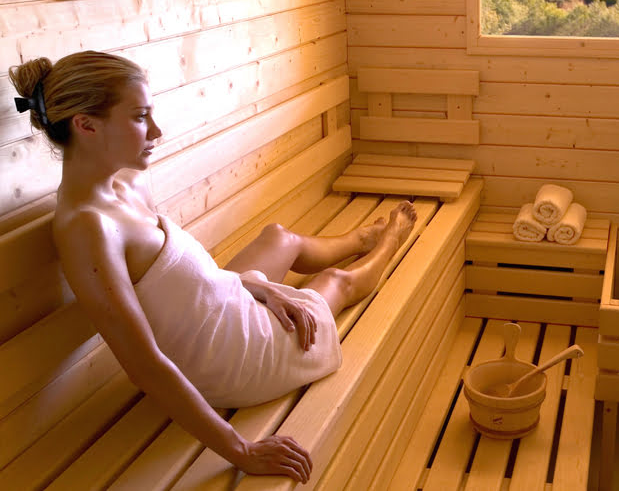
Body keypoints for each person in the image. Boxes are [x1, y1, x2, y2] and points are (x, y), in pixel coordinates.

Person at [10, 51, 417, 484]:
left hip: (223, 303)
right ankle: (389, 241)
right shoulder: (88, 230)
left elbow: (178, 281)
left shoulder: (124, 183)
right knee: (334, 282)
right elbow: (143, 363)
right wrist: (242, 450)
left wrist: (257, 288)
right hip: (232, 359)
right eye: (139, 117)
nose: (156, 131)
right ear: (86, 125)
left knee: (278, 237)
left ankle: (358, 238)